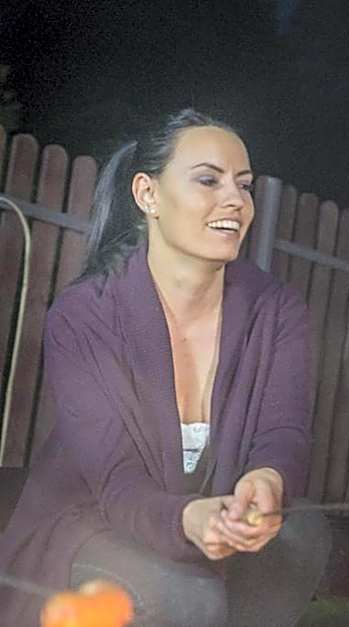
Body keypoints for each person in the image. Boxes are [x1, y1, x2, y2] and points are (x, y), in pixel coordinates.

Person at [0, 109, 331, 626]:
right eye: (208, 180)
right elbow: (115, 480)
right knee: (184, 594)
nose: (235, 201)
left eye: (244, 186)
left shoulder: (276, 308)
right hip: (97, 523)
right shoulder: (86, 314)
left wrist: (267, 479)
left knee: (299, 536)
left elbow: (282, 431)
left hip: (212, 515)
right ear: (147, 194)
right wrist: (185, 519)